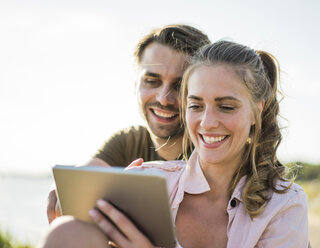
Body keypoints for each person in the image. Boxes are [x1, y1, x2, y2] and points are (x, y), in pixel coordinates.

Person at [39, 40, 309, 248]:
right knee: (67, 230)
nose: (207, 122)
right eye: (195, 105)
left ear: (257, 111)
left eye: (226, 107)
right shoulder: (147, 183)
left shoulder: (285, 205)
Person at [46, 24, 211, 223]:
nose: (164, 98)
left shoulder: (215, 150)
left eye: (180, 86)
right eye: (152, 81)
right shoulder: (128, 141)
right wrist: (65, 188)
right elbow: (86, 175)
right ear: (136, 85)